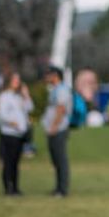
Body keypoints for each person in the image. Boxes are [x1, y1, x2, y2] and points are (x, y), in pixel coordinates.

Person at [0, 72, 33, 195]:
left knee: (16, 162)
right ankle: (8, 187)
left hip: (19, 134)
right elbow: (1, 115)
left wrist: (26, 95)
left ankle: (16, 186)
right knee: (8, 161)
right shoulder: (5, 96)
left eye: (18, 80)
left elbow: (30, 108)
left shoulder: (19, 97)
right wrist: (12, 123)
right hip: (9, 133)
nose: (17, 82)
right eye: (15, 80)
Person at [43, 65, 72, 196]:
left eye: (49, 74)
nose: (46, 77)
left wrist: (54, 126)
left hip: (58, 129)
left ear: (55, 76)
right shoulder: (55, 90)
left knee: (61, 159)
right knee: (56, 159)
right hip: (53, 129)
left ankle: (62, 189)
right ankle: (58, 188)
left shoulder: (62, 90)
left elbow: (61, 109)